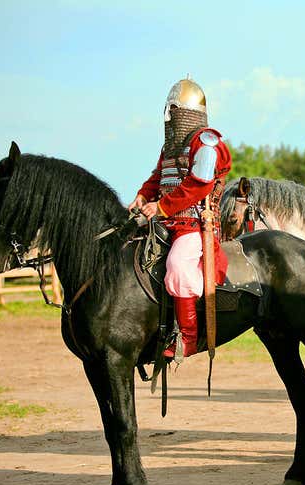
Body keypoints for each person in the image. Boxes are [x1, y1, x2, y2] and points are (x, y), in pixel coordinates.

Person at [128, 76, 231, 359]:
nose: (170, 116)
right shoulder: (171, 146)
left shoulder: (207, 143)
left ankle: (187, 337)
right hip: (167, 221)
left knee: (177, 266)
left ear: (185, 112)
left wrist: (161, 207)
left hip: (195, 224)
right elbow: (158, 177)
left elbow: (199, 184)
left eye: (173, 110)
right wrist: (142, 196)